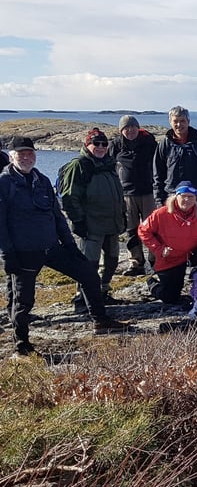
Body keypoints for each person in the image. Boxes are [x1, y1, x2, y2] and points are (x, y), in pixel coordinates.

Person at [0, 137, 125, 354]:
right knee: (23, 301)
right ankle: (22, 344)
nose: (27, 157)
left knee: (88, 273)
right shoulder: (4, 183)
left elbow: (57, 217)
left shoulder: (42, 180)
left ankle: (100, 320)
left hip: (52, 247)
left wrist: (71, 247)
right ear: (11, 156)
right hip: (24, 252)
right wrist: (7, 254)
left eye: (30, 153)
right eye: (21, 153)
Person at [59, 128, 126, 311]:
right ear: (87, 144)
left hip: (111, 224)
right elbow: (69, 197)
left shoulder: (109, 164)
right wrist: (78, 221)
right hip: (91, 226)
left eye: (104, 144)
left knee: (112, 261)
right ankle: (83, 299)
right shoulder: (79, 165)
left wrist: (122, 215)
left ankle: (102, 292)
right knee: (89, 265)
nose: (101, 147)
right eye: (96, 143)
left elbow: (118, 194)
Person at [139, 181, 197, 305]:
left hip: (189, 255)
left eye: (191, 197)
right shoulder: (161, 213)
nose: (187, 200)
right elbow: (143, 231)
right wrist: (159, 249)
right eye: (183, 196)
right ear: (176, 196)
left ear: (196, 198)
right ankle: (152, 283)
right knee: (170, 298)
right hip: (168, 259)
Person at [109, 115, 157, 275]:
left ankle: (155, 261)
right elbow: (107, 167)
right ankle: (136, 263)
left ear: (138, 128)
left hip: (148, 192)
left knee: (153, 228)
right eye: (126, 128)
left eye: (132, 127)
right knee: (131, 230)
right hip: (126, 194)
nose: (130, 130)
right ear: (121, 130)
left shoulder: (149, 143)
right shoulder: (115, 145)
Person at [154, 105, 197, 216]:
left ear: (188, 121)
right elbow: (158, 175)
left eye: (182, 121)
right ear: (170, 122)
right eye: (175, 121)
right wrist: (159, 201)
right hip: (172, 199)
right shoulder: (164, 144)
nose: (179, 125)